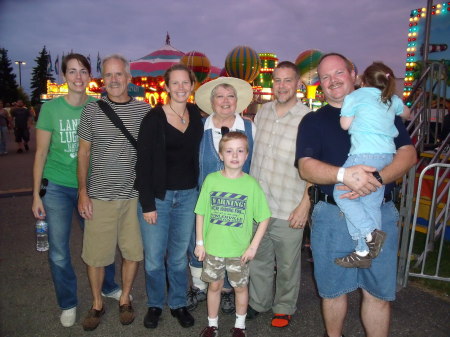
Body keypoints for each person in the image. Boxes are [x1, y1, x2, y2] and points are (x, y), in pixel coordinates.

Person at [296, 53, 417, 337]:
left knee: (377, 294)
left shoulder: (383, 105)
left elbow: (409, 153)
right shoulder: (313, 121)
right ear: (320, 84)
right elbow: (306, 167)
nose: (332, 81)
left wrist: (375, 179)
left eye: (338, 72)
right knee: (333, 292)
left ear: (353, 73)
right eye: (325, 77)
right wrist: (345, 175)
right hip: (331, 217)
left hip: (380, 212)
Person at [31, 53, 122, 328]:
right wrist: (36, 194)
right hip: (57, 186)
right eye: (72, 71)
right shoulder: (51, 110)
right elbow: (41, 153)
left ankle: (107, 286)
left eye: (83, 71)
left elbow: (109, 147)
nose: (78, 77)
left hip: (92, 185)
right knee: (58, 249)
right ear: (63, 76)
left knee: (101, 242)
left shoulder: (98, 106)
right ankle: (68, 302)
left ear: (90, 76)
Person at [77, 54, 149, 331]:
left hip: (133, 197)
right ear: (102, 80)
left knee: (132, 253)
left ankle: (125, 297)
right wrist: (83, 192)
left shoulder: (143, 111)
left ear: (129, 79)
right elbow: (83, 152)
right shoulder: (92, 111)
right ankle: (97, 303)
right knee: (95, 256)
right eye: (109, 75)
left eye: (120, 74)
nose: (115, 80)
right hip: (99, 196)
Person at [135, 64, 203, 330]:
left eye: (185, 82)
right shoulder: (153, 118)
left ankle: (177, 303)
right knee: (153, 257)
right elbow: (142, 163)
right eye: (175, 83)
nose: (180, 88)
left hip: (188, 197)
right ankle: (155, 303)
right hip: (159, 198)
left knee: (177, 257)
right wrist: (148, 204)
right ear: (166, 86)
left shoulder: (196, 114)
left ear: (192, 85)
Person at [247, 61, 311, 328]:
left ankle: (284, 306)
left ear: (298, 84)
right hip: (260, 204)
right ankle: (258, 302)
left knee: (286, 264)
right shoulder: (262, 112)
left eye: (287, 80)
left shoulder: (308, 118)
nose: (282, 86)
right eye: (277, 80)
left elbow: (313, 163)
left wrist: (305, 205)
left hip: (289, 204)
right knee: (259, 259)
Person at [333, 62, 410, 268]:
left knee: (341, 194)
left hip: (364, 156)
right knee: (370, 202)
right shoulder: (390, 98)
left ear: (363, 81)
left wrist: (358, 115)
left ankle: (370, 233)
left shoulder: (355, 96)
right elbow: (407, 113)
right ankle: (363, 252)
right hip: (387, 157)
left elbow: (345, 124)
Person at [189, 76, 255, 313]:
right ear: (212, 101)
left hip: (237, 203)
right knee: (198, 244)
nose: (225, 101)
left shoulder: (249, 127)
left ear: (237, 101)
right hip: (205, 199)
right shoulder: (200, 126)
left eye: (230, 96)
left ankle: (227, 290)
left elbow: (254, 163)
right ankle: (200, 286)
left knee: (232, 246)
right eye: (220, 96)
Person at [194, 132, 271, 337]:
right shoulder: (211, 181)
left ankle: (240, 326)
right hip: (213, 248)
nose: (234, 155)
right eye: (229, 151)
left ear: (246, 155)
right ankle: (212, 325)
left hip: (239, 251)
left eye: (240, 151)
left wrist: (253, 246)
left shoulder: (251, 185)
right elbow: (200, 212)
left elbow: (264, 218)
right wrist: (200, 242)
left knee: (240, 288)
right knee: (214, 286)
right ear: (220, 155)